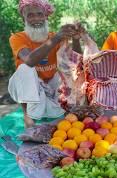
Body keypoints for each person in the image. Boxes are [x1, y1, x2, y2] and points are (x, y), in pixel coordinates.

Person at [8, 0, 84, 128]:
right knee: (25, 68)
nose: (36, 18)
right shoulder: (17, 38)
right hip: (31, 89)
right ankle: (28, 116)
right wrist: (57, 38)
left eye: (39, 14)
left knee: (70, 69)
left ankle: (69, 108)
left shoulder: (54, 37)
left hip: (53, 88)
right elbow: (29, 60)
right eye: (30, 15)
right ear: (23, 18)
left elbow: (75, 61)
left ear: (46, 17)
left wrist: (76, 39)